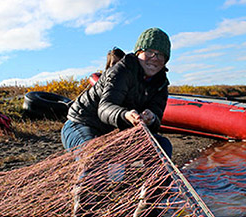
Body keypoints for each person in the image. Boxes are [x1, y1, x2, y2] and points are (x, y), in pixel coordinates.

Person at [62, 27, 173, 157]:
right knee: (93, 159)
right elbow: (104, 109)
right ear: (138, 52)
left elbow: (156, 122)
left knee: (162, 145)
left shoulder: (161, 84)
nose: (155, 58)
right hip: (82, 123)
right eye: (149, 52)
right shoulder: (122, 70)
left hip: (116, 132)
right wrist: (125, 115)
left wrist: (152, 118)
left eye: (161, 55)